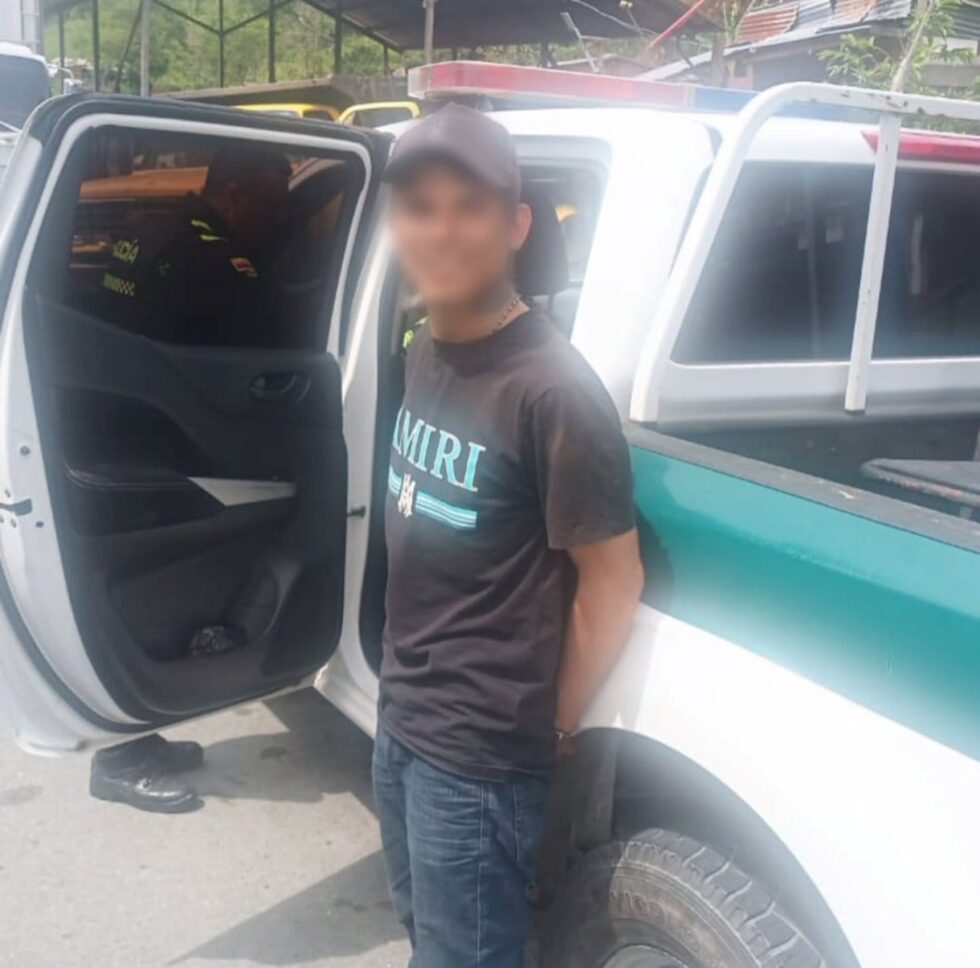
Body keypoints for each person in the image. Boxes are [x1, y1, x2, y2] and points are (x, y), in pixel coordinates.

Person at [373, 103, 645, 967]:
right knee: (427, 935)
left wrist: (553, 722)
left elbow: (614, 579)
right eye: (420, 208)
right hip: (401, 713)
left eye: (470, 207)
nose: (442, 230)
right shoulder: (426, 346)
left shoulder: (553, 391)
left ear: (517, 225)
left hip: (480, 757)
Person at [88, 144, 291, 814]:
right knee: (158, 592)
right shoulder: (213, 258)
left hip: (124, 423)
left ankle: (136, 737)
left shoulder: (155, 228)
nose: (279, 216)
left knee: (149, 587)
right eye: (273, 200)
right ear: (235, 192)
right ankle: (118, 757)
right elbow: (259, 346)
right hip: (164, 437)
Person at [96, 143, 290, 346]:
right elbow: (267, 341)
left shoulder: (143, 233)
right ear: (234, 197)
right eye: (273, 206)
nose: (281, 219)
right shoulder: (218, 265)